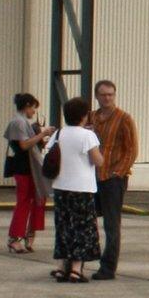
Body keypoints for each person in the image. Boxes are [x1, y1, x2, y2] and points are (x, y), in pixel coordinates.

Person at [46, 96, 103, 282]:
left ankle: (61, 266)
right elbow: (97, 160)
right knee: (82, 228)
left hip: (61, 187)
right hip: (82, 188)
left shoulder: (59, 133)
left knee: (63, 227)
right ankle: (76, 269)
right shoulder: (88, 135)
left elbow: (49, 151)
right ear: (83, 116)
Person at [88, 80, 138, 280]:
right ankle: (80, 260)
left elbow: (131, 149)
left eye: (110, 94)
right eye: (103, 95)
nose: (107, 98)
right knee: (86, 221)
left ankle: (108, 267)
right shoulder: (92, 117)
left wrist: (119, 172)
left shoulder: (123, 118)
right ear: (97, 96)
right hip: (90, 177)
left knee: (111, 224)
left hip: (112, 178)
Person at [4, 93, 52, 254]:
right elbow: (24, 145)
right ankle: (16, 237)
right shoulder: (19, 122)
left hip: (27, 167)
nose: (34, 111)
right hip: (24, 168)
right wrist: (42, 135)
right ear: (27, 106)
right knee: (24, 201)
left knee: (34, 199)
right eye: (33, 107)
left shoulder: (21, 122)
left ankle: (24, 235)